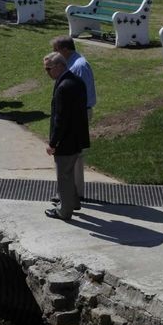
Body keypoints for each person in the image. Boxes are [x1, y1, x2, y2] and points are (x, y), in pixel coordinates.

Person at [43, 52, 90, 220]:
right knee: (69, 174)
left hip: (66, 140)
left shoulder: (63, 87)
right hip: (77, 138)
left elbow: (60, 119)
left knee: (63, 176)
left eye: (48, 69)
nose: (46, 72)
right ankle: (73, 202)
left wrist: (53, 142)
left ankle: (64, 211)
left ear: (60, 66)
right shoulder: (77, 81)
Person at [50, 35, 97, 203]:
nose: (53, 54)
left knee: (71, 155)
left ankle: (72, 194)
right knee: (72, 155)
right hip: (77, 114)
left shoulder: (78, 67)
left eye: (55, 50)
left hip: (77, 115)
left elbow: (76, 97)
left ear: (65, 50)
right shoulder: (74, 64)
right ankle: (71, 193)